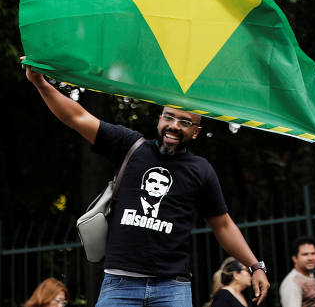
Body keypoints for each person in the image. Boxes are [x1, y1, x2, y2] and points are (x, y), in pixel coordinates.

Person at [24, 65, 270, 306]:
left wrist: (255, 266)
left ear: (196, 132)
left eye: (185, 122)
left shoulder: (201, 170)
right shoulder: (130, 146)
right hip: (119, 284)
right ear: (159, 119)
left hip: (172, 288)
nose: (174, 125)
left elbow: (223, 225)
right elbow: (77, 117)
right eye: (169, 117)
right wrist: (40, 83)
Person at [278, 236, 315, 307]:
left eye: (313, 253)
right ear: (295, 258)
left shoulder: (310, 277)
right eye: (305, 254)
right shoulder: (292, 283)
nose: (310, 258)